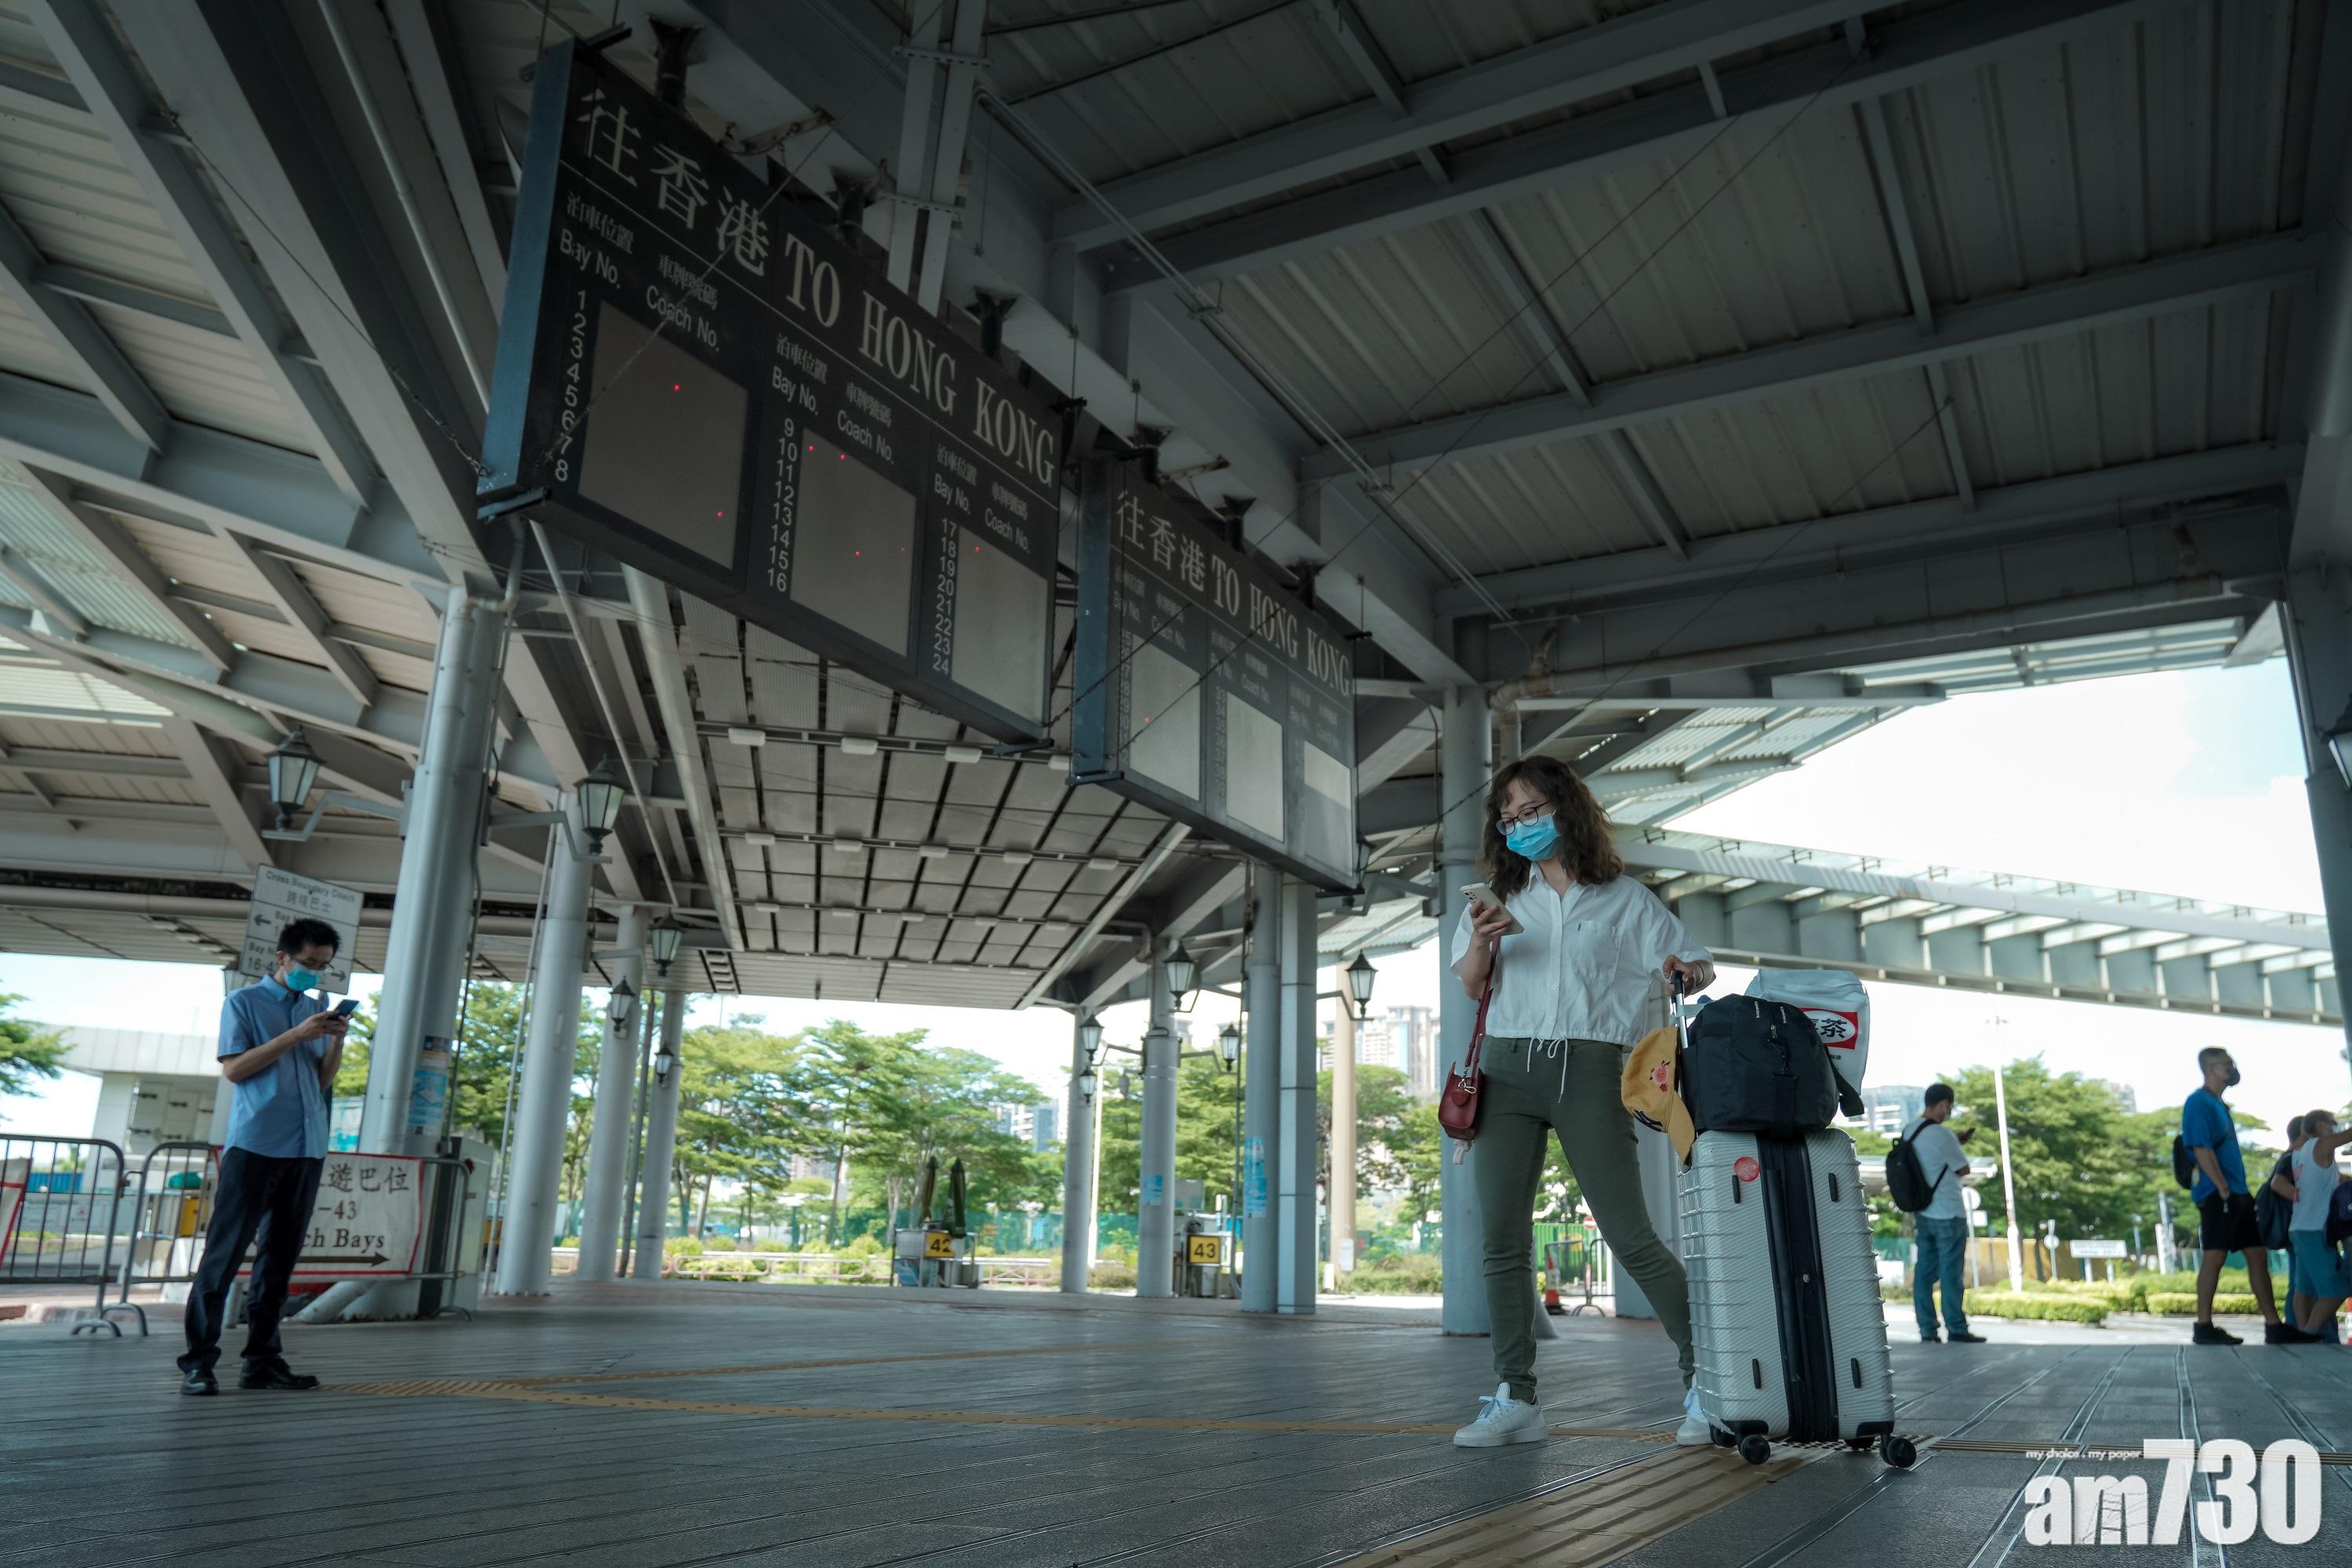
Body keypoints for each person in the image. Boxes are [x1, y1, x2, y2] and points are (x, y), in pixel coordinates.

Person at [1446, 757, 1713, 1449]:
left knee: (1630, 1235)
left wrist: (1686, 970)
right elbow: (1473, 986)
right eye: (1509, 818)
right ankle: (1516, 1397)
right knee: (1502, 1241)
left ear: (1566, 808)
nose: (1520, 826)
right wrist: (1482, 939)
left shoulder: (1626, 899)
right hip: (1506, 1067)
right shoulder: (1502, 897)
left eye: (1531, 811)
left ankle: (1710, 1383)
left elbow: (1696, 965)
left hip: (1592, 1068)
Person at [179, 918, 351, 1394]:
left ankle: (262, 1360)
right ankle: (198, 1363)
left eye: (323, 965)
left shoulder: (315, 1009)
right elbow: (235, 1070)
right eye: (308, 962)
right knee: (224, 1257)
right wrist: (295, 1035)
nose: (314, 972)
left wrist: (336, 1039)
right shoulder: (243, 1003)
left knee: (279, 1261)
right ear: (282, 958)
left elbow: (320, 1081)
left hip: (306, 1147)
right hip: (255, 1145)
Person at [2181, 1047, 2310, 1345]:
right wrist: (2222, 1187)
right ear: (2209, 1068)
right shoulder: (2198, 1102)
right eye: (2226, 1064)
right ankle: (2203, 1326)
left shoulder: (2219, 1105)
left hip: (2238, 1193)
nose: (2232, 1069)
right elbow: (2200, 1148)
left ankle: (2274, 1325)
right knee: (2215, 1255)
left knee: (2257, 1253)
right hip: (2218, 1194)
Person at [1904, 1084, 1986, 1345]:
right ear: (1943, 1104)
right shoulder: (1943, 1135)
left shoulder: (1910, 1130)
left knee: (1924, 1274)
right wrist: (1954, 1142)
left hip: (1923, 1211)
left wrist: (1953, 1141)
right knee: (1951, 1273)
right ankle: (1956, 1328)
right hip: (1948, 1212)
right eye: (1948, 1106)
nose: (1949, 1110)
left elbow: (1928, 1158)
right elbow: (1962, 1169)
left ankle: (1927, 1330)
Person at [2285, 1109, 2349, 1342]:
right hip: (2314, 1230)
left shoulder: (2299, 1153)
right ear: (2320, 1125)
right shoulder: (2320, 1145)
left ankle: (2303, 1337)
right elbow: (2348, 1136)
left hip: (2300, 1229)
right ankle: (2309, 1333)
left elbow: (2337, 1181)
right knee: (2339, 1289)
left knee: (2304, 1290)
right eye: (2332, 1123)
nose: (2335, 1128)